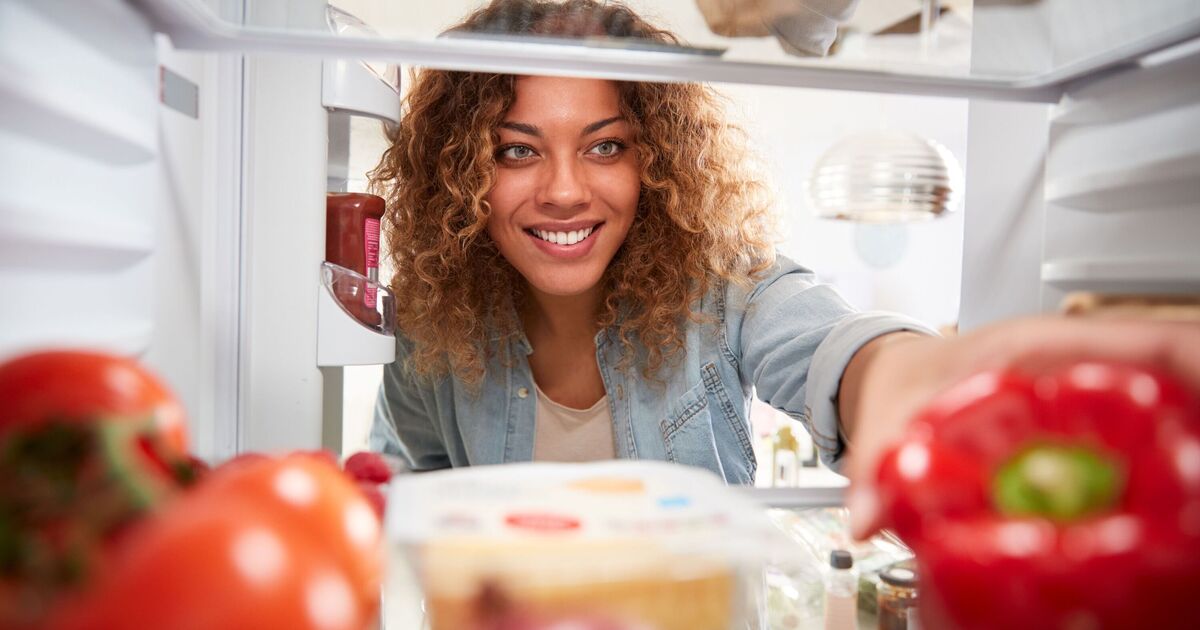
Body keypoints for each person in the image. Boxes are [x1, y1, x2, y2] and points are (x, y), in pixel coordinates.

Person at [368, 0, 1200, 539]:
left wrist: (909, 374)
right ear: (461, 169)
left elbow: (830, 345)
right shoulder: (434, 327)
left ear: (653, 162)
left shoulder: (723, 290)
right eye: (517, 150)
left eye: (605, 146)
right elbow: (414, 488)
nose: (562, 190)